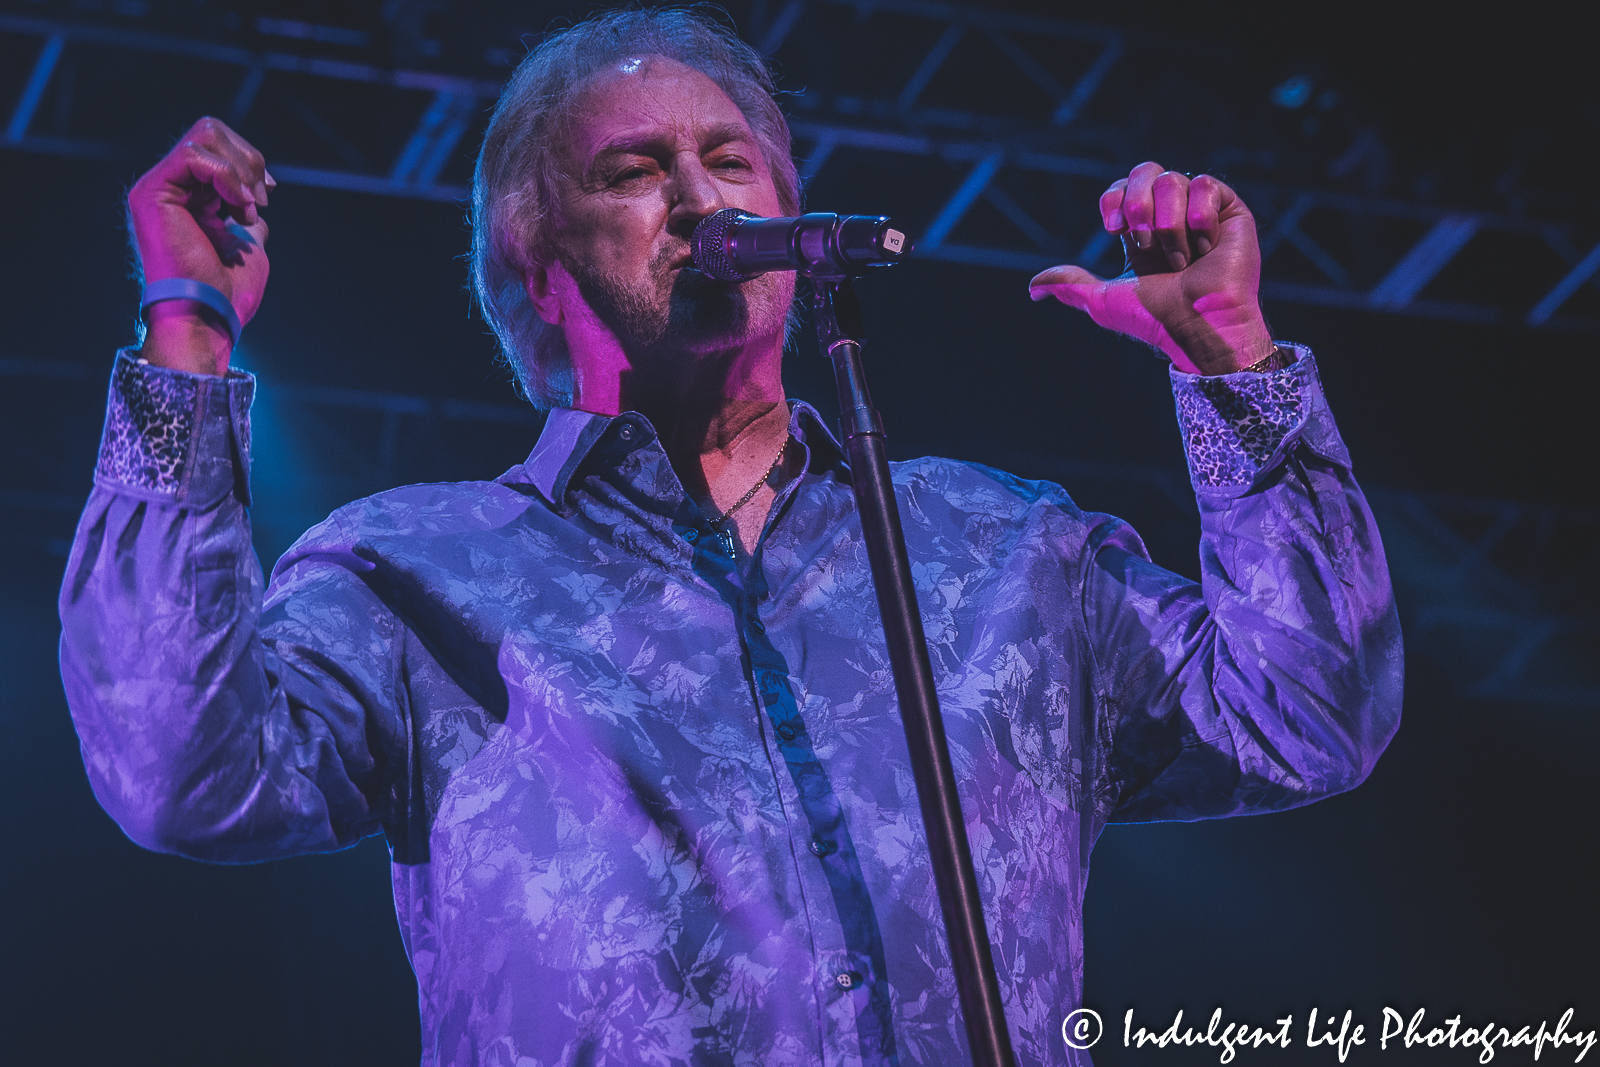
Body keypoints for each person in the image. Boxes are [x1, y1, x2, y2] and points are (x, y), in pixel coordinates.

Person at [58, 8, 1402, 1067]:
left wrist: (1234, 362)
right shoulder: (414, 579)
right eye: (635, 174)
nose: (701, 202)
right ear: (539, 264)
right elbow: (179, 768)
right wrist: (186, 335)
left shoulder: (1004, 554)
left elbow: (1309, 713)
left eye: (730, 162)